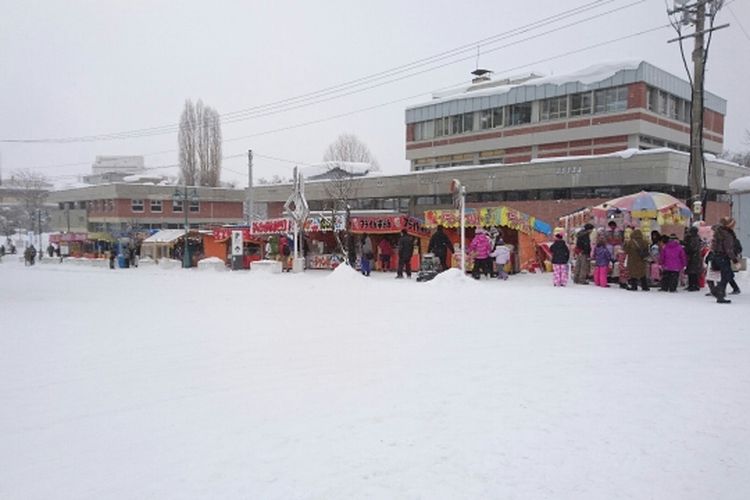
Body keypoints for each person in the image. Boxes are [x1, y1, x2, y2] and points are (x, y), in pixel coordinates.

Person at [711, 217, 739, 304]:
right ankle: (718, 292)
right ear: (729, 225)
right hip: (723, 256)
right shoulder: (727, 234)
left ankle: (719, 293)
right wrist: (735, 260)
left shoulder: (718, 232)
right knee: (727, 275)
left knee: (726, 275)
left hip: (717, 256)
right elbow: (728, 248)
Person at [683, 226, 702, 291]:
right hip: (694, 257)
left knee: (692, 272)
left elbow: (692, 248)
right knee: (693, 272)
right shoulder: (695, 238)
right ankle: (693, 285)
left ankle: (693, 285)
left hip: (694, 257)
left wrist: (685, 248)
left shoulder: (694, 238)